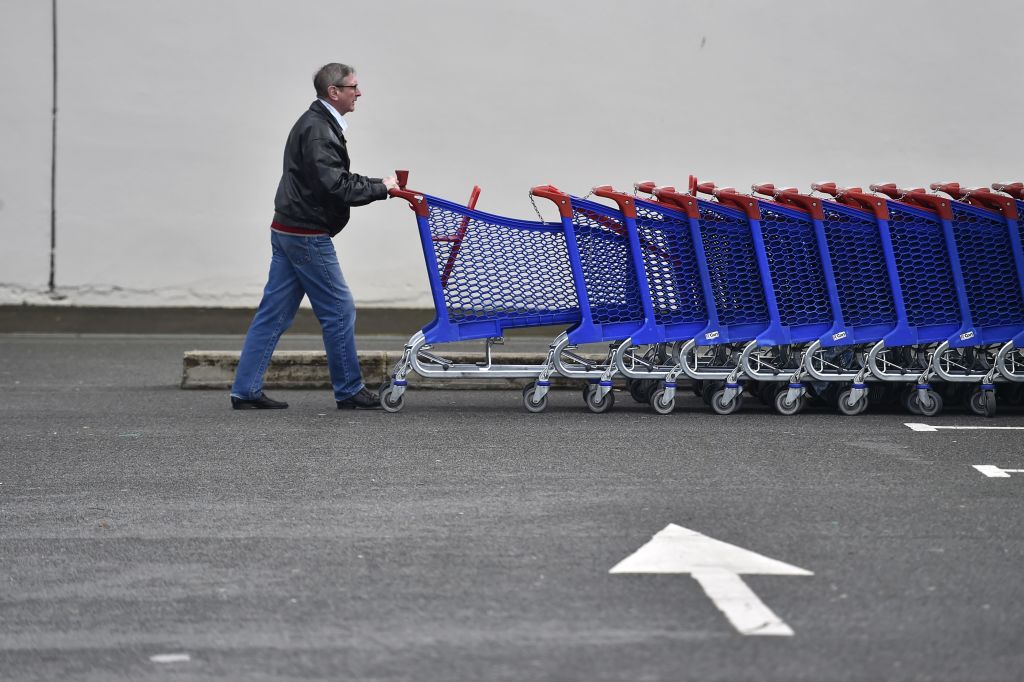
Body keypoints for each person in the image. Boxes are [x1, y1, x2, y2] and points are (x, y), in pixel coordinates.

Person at [230, 63, 398, 410]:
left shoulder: (317, 124)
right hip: (305, 233)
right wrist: (382, 189)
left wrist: (377, 185)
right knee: (339, 309)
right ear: (333, 92)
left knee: (273, 314)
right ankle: (349, 390)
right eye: (353, 86)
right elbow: (334, 184)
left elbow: (333, 176)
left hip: (287, 227)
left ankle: (245, 389)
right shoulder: (320, 129)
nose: (359, 92)